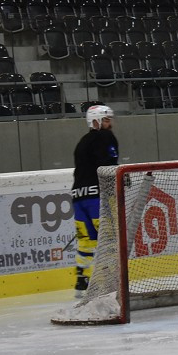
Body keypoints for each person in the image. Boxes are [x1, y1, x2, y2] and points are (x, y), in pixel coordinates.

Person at [71, 105, 119, 297]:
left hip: (78, 197)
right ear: (96, 121)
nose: (110, 124)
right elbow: (109, 166)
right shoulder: (105, 137)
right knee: (110, 239)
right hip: (97, 198)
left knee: (86, 242)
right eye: (106, 120)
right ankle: (111, 280)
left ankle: (82, 282)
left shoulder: (81, 142)